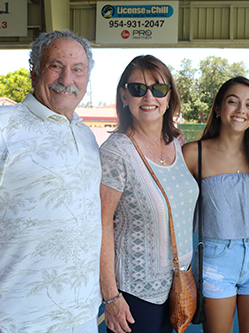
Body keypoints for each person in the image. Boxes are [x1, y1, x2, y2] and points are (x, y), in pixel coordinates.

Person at [0, 30, 101, 332]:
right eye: (55, 65)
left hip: (83, 314)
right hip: (16, 318)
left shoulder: (87, 135)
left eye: (78, 69)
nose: (67, 78)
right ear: (34, 69)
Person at [99, 55, 198, 333]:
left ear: (169, 97)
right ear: (124, 96)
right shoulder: (116, 151)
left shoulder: (178, 145)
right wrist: (111, 296)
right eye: (138, 89)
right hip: (135, 294)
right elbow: (102, 223)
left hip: (178, 287)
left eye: (159, 88)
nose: (149, 96)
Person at [182, 76, 249, 333]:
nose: (241, 110)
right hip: (215, 259)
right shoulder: (193, 154)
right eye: (233, 102)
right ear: (218, 109)